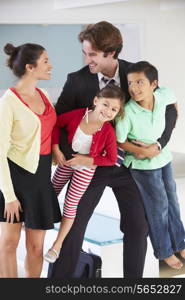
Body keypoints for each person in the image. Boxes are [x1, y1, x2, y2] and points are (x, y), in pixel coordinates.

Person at [48, 21, 177, 278]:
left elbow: (169, 108)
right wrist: (68, 153)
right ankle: (58, 284)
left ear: (111, 53)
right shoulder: (77, 80)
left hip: (129, 166)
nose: (87, 60)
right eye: (85, 53)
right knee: (73, 226)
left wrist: (158, 144)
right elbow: (59, 120)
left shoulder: (137, 73)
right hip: (90, 168)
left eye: (93, 54)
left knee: (138, 227)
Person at [116, 61, 185, 270]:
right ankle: (164, 251)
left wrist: (158, 144)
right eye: (130, 83)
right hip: (142, 166)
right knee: (159, 207)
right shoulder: (127, 112)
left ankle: (180, 243)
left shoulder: (162, 95)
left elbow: (174, 105)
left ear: (154, 84)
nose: (134, 88)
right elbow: (120, 141)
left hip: (163, 159)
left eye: (140, 82)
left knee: (173, 201)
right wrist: (142, 151)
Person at [44, 85, 125, 263]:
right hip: (67, 161)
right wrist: (56, 148)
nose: (108, 111)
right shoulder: (78, 115)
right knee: (51, 191)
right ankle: (36, 223)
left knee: (71, 204)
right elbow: (57, 124)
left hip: (85, 170)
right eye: (105, 105)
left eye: (114, 109)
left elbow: (112, 159)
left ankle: (56, 246)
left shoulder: (108, 132)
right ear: (96, 101)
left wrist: (88, 161)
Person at [0, 43, 61, 278]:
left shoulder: (44, 95)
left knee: (36, 248)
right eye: (45, 61)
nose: (51, 65)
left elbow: (48, 130)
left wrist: (55, 151)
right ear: (29, 67)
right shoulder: (8, 102)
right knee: (8, 244)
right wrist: (9, 196)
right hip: (14, 178)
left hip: (40, 177)